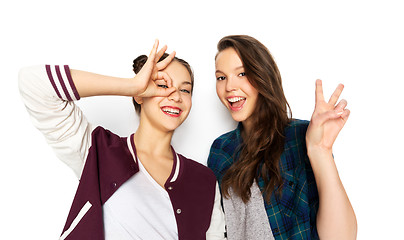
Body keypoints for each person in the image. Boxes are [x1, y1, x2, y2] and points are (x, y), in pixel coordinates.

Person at [19, 40, 225, 240]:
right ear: (139, 95)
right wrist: (131, 85)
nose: (176, 96)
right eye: (162, 85)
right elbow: (32, 83)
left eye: (185, 89)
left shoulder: (205, 180)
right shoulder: (98, 150)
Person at [208, 35, 357, 240]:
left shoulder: (301, 136)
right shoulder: (221, 150)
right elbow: (216, 229)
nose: (229, 87)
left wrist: (320, 150)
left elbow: (342, 237)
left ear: (263, 76)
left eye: (242, 73)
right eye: (221, 77)